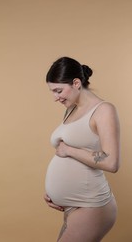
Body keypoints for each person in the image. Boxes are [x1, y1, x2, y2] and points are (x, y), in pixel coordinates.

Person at [44, 57, 120, 242]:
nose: (55, 97)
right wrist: (55, 192)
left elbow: (111, 161)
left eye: (58, 90)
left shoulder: (104, 110)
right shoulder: (70, 109)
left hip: (91, 204)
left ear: (76, 83)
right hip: (74, 204)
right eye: (53, 92)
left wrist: (69, 150)